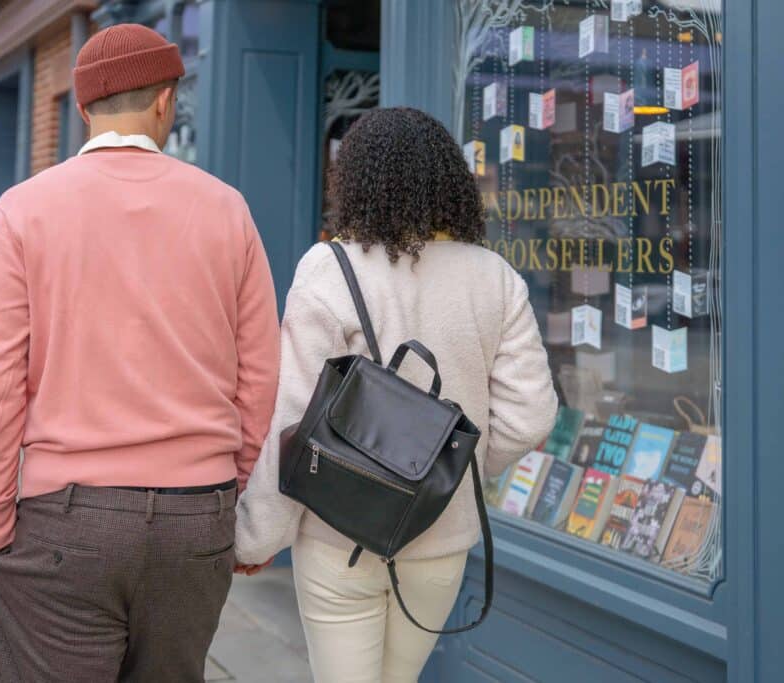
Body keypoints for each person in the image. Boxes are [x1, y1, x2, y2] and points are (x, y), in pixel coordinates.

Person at [0, 24, 280, 682]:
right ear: (165, 102)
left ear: (82, 111)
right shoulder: (229, 211)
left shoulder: (22, 212)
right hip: (197, 516)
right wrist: (236, 499)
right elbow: (259, 380)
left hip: (63, 522)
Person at [235, 107, 558, 682]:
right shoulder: (494, 276)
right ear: (449, 180)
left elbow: (293, 417)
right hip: (439, 539)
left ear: (356, 180)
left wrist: (257, 536)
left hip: (339, 538)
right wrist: (443, 473)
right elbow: (531, 416)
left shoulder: (328, 268)